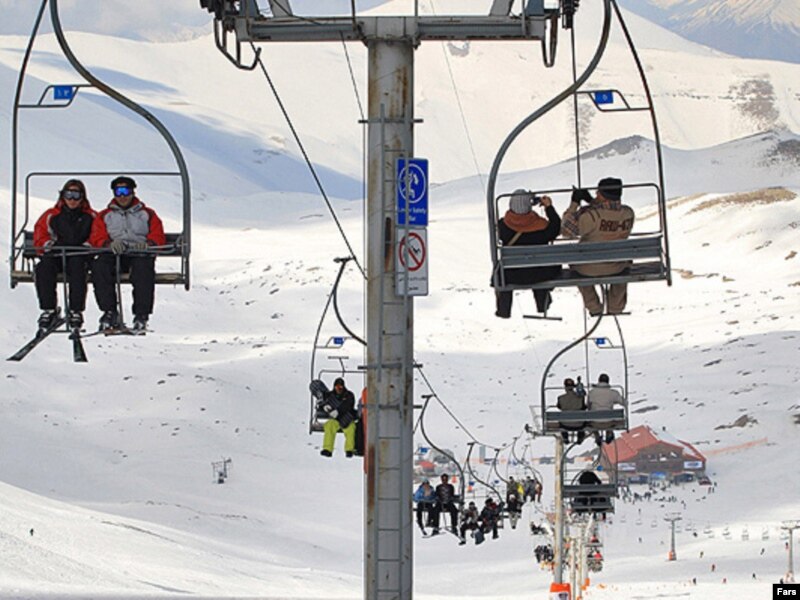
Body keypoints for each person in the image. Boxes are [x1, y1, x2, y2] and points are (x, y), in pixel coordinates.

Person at [90, 176, 165, 332]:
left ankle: (141, 314)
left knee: (143, 269)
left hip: (138, 253)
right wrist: (108, 244)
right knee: (100, 267)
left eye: (126, 191)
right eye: (118, 192)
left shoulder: (147, 214)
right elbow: (96, 236)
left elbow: (158, 235)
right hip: (115, 253)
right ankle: (109, 311)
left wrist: (149, 244)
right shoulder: (105, 215)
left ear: (132, 192)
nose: (122, 196)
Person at [560, 177, 635, 315]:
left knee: (575, 266)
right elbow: (607, 210)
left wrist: (574, 204)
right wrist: (591, 201)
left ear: (602, 194)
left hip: (588, 267)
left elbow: (566, 231)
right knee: (625, 264)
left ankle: (594, 306)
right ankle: (616, 306)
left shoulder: (590, 216)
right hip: (617, 265)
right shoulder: (628, 213)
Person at [32, 179, 95, 331]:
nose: (72, 200)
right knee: (44, 268)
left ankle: (75, 310)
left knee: (78, 268)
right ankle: (49, 309)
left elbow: (98, 235)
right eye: (69, 195)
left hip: (79, 255)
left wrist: (87, 247)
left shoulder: (90, 217)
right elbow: (40, 233)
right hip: (57, 255)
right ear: (63, 196)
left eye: (76, 195)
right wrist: (48, 245)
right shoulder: (52, 215)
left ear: (82, 197)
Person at [495, 189, 561, 318]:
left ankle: (504, 309)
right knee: (541, 266)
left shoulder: (503, 225)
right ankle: (542, 303)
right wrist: (548, 207)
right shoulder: (541, 225)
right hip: (540, 273)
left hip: (512, 275)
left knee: (502, 271)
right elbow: (556, 228)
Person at [318, 377, 358, 457]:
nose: (339, 388)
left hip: (347, 418)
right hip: (336, 420)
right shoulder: (330, 395)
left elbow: (348, 405)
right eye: (337, 386)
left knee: (350, 428)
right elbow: (322, 402)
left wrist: (338, 411)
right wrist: (324, 407)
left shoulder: (349, 395)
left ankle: (349, 450)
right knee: (329, 425)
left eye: (340, 386)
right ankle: (327, 449)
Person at [587, 373, 627, 445]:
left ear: (599, 381)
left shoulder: (592, 392)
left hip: (595, 423)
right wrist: (613, 401)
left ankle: (597, 435)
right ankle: (609, 432)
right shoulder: (613, 393)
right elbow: (624, 403)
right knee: (612, 419)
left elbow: (588, 405)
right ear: (608, 382)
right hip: (608, 423)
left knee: (591, 419)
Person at [556, 377, 587, 444]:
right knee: (584, 419)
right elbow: (584, 407)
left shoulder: (560, 398)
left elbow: (559, 407)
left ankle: (565, 437)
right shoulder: (580, 398)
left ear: (565, 387)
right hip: (579, 425)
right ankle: (580, 436)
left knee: (561, 420)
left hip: (565, 425)